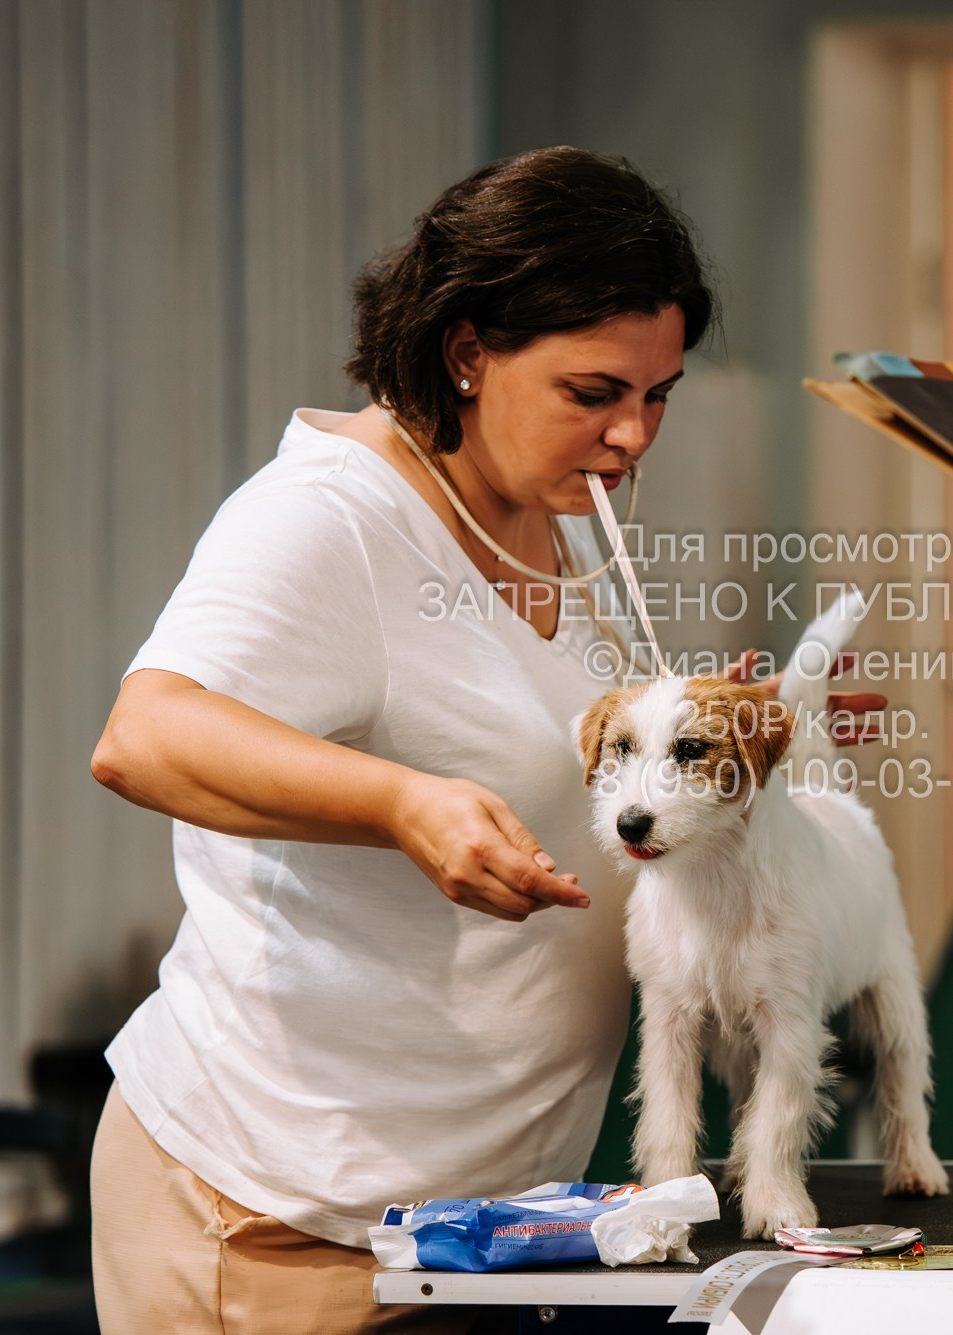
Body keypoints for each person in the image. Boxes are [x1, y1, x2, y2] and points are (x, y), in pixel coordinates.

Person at [85, 147, 878, 1333]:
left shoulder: (553, 518)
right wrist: (403, 804)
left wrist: (741, 727)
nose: (632, 436)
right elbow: (145, 737)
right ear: (467, 353)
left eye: (657, 395)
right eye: (593, 393)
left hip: (488, 1225)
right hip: (283, 1218)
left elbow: (565, 752)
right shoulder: (329, 520)